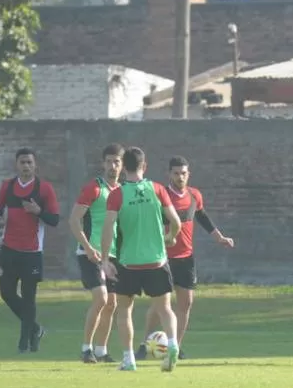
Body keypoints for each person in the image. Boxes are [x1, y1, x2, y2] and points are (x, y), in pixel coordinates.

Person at [136, 156, 234, 361]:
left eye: (183, 173)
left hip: (186, 258)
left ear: (188, 174)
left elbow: (202, 218)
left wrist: (220, 237)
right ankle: (144, 344)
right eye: (176, 173)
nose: (180, 177)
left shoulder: (194, 195)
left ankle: (175, 347)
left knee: (186, 302)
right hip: (162, 258)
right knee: (159, 304)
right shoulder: (160, 195)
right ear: (169, 174)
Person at [100, 146, 183, 372]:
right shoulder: (157, 189)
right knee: (165, 308)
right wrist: (170, 237)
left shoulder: (117, 194)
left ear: (123, 167)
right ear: (144, 166)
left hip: (129, 263)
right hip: (156, 261)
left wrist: (105, 259)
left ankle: (129, 360)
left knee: (125, 309)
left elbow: (108, 228)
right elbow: (176, 222)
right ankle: (173, 344)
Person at [0, 148, 60, 353]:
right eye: (22, 162)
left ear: (35, 165)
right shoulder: (7, 186)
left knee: (29, 298)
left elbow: (55, 219)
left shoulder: (44, 189)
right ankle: (36, 329)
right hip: (9, 249)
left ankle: (24, 342)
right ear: (16, 165)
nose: (26, 166)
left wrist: (38, 211)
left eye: (30, 162)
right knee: (7, 293)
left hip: (32, 252)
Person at [69, 143, 124, 364]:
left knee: (112, 303)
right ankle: (86, 348)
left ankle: (101, 351)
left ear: (122, 165)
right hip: (90, 254)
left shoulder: (122, 192)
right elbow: (74, 220)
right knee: (101, 298)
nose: (113, 165)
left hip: (112, 256)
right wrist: (88, 247)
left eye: (117, 162)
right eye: (109, 161)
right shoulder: (94, 188)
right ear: (103, 163)